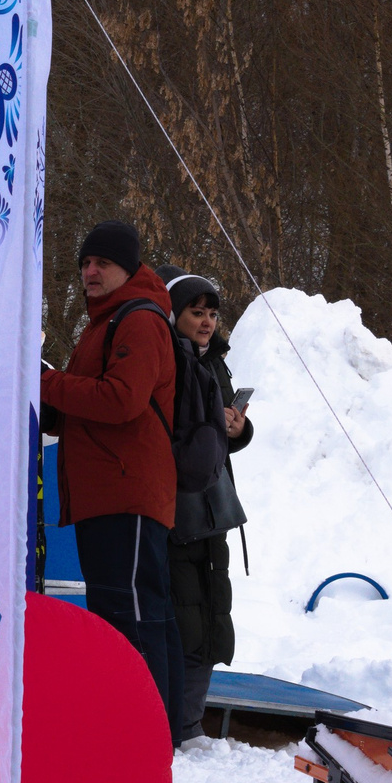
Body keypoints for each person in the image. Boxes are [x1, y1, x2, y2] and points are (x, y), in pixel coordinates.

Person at [41, 220, 181, 728]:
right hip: (105, 494)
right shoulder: (100, 326)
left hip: (128, 492)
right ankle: (137, 732)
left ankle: (147, 735)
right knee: (124, 614)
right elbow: (80, 399)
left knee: (133, 617)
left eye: (102, 262)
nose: (90, 271)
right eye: (84, 263)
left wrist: (49, 385)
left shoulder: (139, 319)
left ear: (129, 267)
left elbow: (122, 399)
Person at [160, 267, 253, 743]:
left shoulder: (215, 361)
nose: (207, 322)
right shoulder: (165, 359)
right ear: (174, 313)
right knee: (184, 617)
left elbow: (217, 439)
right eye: (197, 313)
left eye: (213, 314)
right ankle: (175, 724)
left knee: (213, 616)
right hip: (176, 510)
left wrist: (237, 428)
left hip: (214, 507)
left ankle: (190, 722)